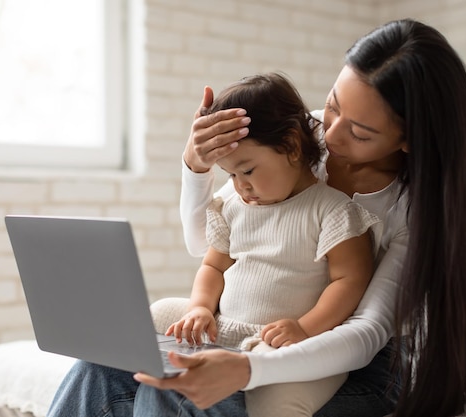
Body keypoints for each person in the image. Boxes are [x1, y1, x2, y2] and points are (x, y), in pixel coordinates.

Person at [46, 18, 466, 417]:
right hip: (254, 332)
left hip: (353, 360)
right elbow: (210, 245)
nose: (329, 131)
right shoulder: (295, 136)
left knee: (181, 393)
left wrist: (251, 367)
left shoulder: (412, 208)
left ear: (409, 139)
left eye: (361, 131)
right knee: (103, 366)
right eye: (332, 104)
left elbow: (365, 332)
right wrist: (196, 167)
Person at [159, 72, 381, 417]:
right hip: (228, 333)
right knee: (156, 341)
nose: (240, 185)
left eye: (247, 170)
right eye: (231, 175)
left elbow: (349, 281)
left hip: (293, 345)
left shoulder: (333, 210)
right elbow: (213, 265)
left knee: (274, 406)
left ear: (292, 146)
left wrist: (306, 328)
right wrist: (201, 307)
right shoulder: (233, 206)